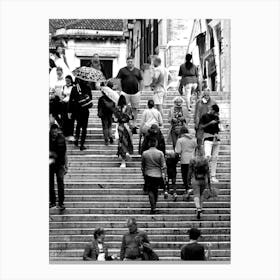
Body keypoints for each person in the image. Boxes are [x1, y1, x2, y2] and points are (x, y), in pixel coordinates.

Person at [142, 138, 167, 214]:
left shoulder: (145, 153)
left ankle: (153, 206)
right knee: (155, 190)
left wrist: (144, 173)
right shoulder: (160, 153)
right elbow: (163, 165)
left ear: (149, 144)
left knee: (150, 191)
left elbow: (143, 165)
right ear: (156, 143)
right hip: (158, 174)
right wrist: (164, 175)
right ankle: (154, 205)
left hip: (148, 174)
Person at [116, 56, 143, 127]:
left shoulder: (137, 71)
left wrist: (140, 90)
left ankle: (134, 123)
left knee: (135, 108)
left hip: (135, 93)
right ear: (126, 62)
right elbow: (118, 80)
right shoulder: (122, 70)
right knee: (124, 108)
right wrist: (120, 90)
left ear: (133, 62)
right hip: (125, 93)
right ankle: (125, 122)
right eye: (128, 62)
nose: (130, 63)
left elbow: (141, 80)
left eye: (131, 62)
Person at [68, 77, 93, 151]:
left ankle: (76, 140)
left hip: (76, 110)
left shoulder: (74, 88)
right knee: (84, 128)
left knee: (78, 126)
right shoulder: (88, 88)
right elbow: (90, 99)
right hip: (85, 110)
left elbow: (70, 100)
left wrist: (69, 111)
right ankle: (82, 145)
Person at [199, 104, 220, 183]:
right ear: (211, 109)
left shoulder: (216, 117)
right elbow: (201, 127)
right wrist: (210, 123)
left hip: (216, 138)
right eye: (214, 112)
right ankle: (205, 175)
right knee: (207, 156)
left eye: (216, 113)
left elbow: (218, 127)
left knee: (215, 158)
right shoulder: (204, 116)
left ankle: (213, 176)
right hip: (207, 138)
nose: (215, 114)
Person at [188, 147, 211, 219]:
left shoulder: (192, 160)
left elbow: (190, 171)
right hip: (203, 179)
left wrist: (188, 180)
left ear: (196, 152)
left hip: (195, 179)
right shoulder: (205, 160)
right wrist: (209, 183)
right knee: (201, 194)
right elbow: (208, 172)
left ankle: (198, 208)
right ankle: (200, 208)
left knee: (196, 194)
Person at [175, 126, 197, 201]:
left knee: (185, 175)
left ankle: (187, 188)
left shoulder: (180, 140)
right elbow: (197, 147)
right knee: (192, 174)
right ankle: (192, 187)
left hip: (184, 160)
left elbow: (178, 151)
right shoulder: (194, 139)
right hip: (193, 159)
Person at [49, 124, 67, 211]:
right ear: (50, 131)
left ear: (58, 131)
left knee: (60, 182)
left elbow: (65, 153)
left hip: (60, 164)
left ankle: (61, 202)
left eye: (56, 132)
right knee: (50, 183)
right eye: (53, 132)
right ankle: (52, 201)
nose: (54, 133)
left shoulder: (62, 138)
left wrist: (66, 165)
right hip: (50, 164)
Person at [113, 95, 134, 168]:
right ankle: (126, 153)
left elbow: (115, 119)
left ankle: (123, 160)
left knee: (121, 143)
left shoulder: (117, 108)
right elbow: (131, 117)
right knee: (127, 142)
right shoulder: (128, 107)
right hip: (127, 127)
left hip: (120, 127)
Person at [61, 75, 75, 141]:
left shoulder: (73, 87)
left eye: (68, 80)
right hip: (64, 104)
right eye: (66, 80)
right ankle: (65, 134)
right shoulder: (64, 87)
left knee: (70, 119)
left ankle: (70, 134)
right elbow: (63, 95)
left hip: (71, 104)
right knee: (64, 119)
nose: (67, 81)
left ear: (71, 80)